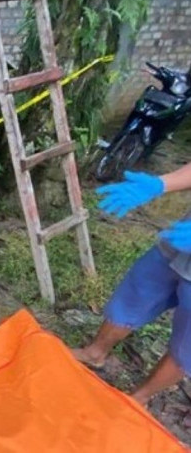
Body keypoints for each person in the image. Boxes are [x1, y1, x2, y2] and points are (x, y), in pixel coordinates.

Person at [73, 168, 191, 405]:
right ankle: (95, 353)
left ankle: (138, 399)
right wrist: (159, 184)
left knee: (187, 345)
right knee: (136, 293)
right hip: (181, 240)